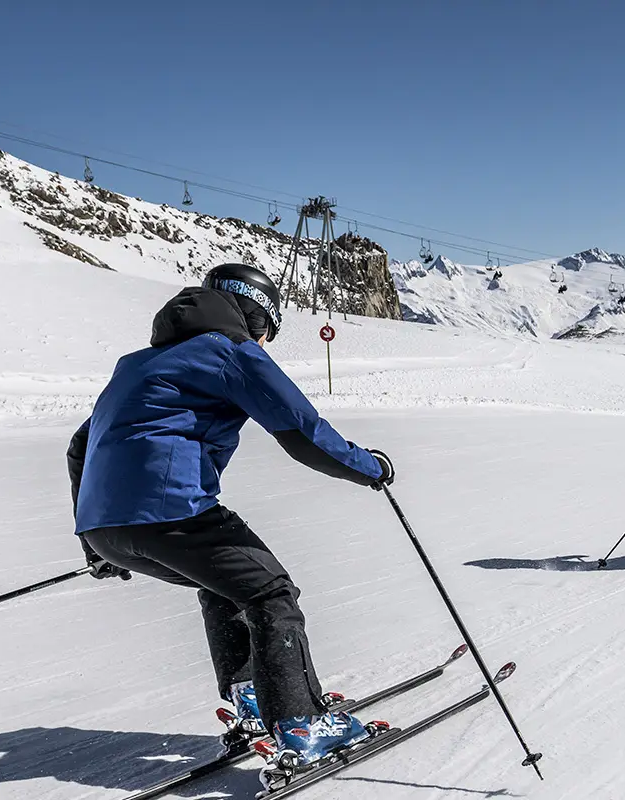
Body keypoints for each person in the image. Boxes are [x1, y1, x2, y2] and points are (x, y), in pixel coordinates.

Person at [65, 264, 395, 780]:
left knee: (224, 583)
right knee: (270, 592)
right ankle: (302, 723)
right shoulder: (230, 352)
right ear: (256, 315)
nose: (265, 342)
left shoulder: (137, 364)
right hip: (172, 513)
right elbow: (301, 430)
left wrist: (94, 543)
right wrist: (369, 467)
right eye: (268, 331)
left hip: (105, 528)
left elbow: (81, 446)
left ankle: (254, 698)